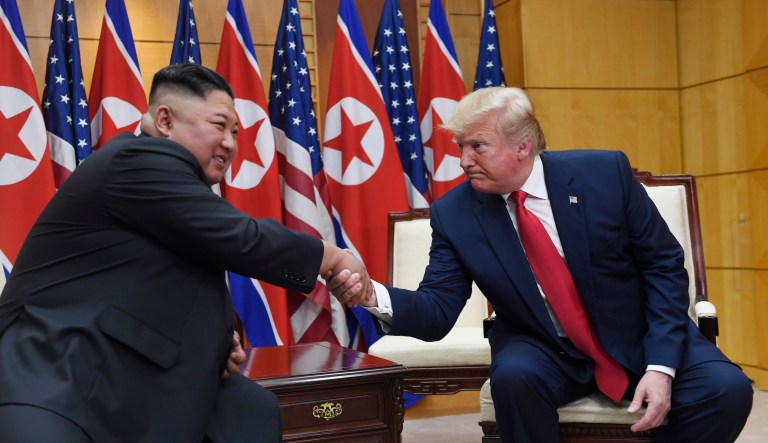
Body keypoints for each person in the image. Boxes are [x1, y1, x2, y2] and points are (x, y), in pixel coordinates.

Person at [330, 86, 753, 442]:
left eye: (477, 146)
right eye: (460, 147)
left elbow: (663, 266)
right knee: (515, 379)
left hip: (636, 330)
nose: (463, 160)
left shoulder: (603, 174)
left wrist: (661, 366)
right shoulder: (455, 213)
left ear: (522, 146)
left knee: (727, 390)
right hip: (542, 343)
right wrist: (372, 295)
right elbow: (438, 309)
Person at [0, 63, 370, 443]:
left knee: (246, 408)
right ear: (164, 120)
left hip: (131, 385)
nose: (230, 142)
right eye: (218, 125)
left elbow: (154, 281)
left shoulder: (172, 192)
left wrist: (215, 342)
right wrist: (331, 257)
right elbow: (241, 238)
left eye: (235, 132)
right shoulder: (138, 160)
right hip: (56, 381)